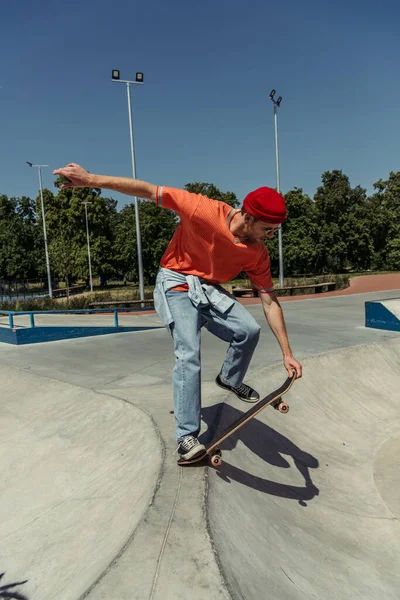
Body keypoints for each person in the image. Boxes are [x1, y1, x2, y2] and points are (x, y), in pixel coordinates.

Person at [53, 163, 303, 461]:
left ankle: (230, 378)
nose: (270, 237)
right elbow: (146, 190)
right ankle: (186, 436)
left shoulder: (256, 252)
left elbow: (269, 300)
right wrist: (91, 180)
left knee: (248, 331)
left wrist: (287, 352)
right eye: (267, 229)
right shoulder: (201, 209)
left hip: (207, 287)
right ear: (248, 217)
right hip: (175, 281)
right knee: (188, 353)